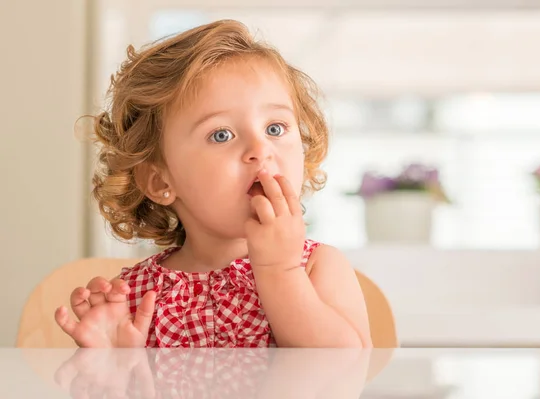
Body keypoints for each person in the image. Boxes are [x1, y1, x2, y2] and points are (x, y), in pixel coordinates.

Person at [54, 19, 372, 348]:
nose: (260, 150)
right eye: (221, 135)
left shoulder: (316, 268)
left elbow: (344, 373)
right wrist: (114, 365)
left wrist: (280, 272)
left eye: (275, 128)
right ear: (160, 180)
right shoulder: (132, 298)